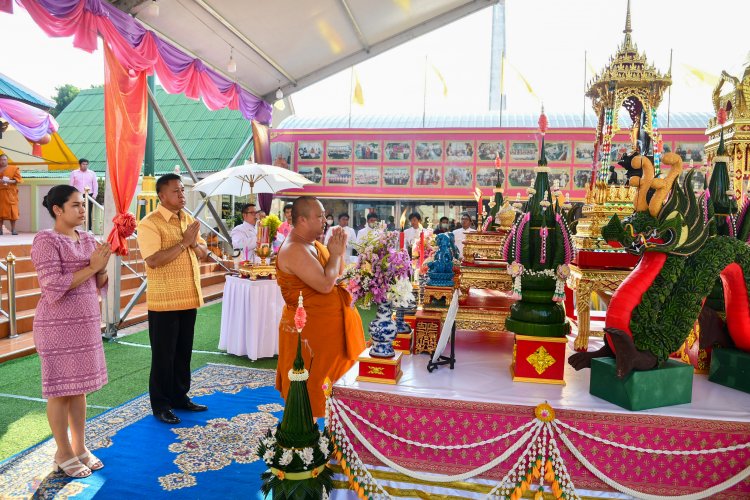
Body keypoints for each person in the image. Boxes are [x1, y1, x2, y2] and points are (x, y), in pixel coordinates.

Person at [31, 185, 111, 478]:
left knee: (79, 390)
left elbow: (99, 280)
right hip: (56, 326)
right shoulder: (45, 241)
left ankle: (80, 447)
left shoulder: (88, 238)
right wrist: (93, 268)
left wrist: (103, 267)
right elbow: (52, 286)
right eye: (76, 205)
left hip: (86, 323)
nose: (82, 210)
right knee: (60, 391)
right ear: (57, 210)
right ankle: (62, 451)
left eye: (83, 205)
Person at [275, 196, 365, 416]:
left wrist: (337, 253)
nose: (325, 219)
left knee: (332, 383)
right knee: (311, 387)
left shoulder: (313, 244)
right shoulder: (294, 249)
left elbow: (337, 274)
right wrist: (335, 254)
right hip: (310, 332)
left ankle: (330, 430)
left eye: (324, 214)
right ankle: (307, 438)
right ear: (302, 220)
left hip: (328, 329)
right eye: (319, 215)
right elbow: (325, 285)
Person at [137, 173, 209, 425]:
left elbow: (202, 252)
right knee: (163, 355)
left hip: (188, 297)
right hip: (164, 300)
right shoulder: (149, 223)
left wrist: (194, 245)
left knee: (182, 352)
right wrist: (184, 243)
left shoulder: (187, 219)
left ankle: (180, 396)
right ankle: (161, 404)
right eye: (176, 191)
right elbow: (154, 260)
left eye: (182, 190)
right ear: (162, 196)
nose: (182, 195)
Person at [69, 158, 98, 231]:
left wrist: (94, 195)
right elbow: (71, 185)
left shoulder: (92, 173)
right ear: (80, 164)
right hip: (77, 195)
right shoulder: (74, 173)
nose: (85, 166)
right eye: (83, 164)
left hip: (89, 195)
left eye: (86, 164)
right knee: (76, 211)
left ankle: (89, 229)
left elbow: (95, 184)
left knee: (88, 211)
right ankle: (76, 228)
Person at [0, 153, 22, 235]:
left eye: (4, 160)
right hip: (0, 193)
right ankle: (0, 230)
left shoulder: (13, 169)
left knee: (13, 212)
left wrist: (9, 181)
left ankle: (13, 229)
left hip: (10, 194)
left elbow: (18, 180)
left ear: (7, 160)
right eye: (1, 160)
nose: (2, 161)